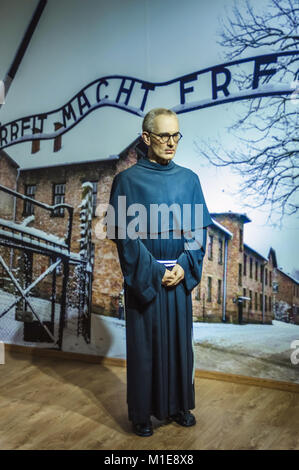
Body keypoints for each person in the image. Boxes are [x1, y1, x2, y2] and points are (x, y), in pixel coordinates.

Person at [107, 108, 212, 437]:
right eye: (164, 135)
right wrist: (152, 270)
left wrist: (184, 266)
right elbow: (124, 236)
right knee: (145, 348)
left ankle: (180, 405)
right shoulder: (126, 181)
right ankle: (141, 413)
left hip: (180, 276)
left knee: (181, 346)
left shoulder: (189, 179)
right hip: (145, 278)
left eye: (176, 135)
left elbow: (198, 232)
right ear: (146, 137)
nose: (171, 142)